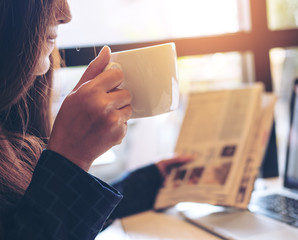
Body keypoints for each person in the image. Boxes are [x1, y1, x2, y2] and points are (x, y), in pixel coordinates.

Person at [0, 0, 191, 239]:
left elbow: (34, 220)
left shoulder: (12, 128)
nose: (65, 14)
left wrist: (149, 182)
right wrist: (71, 158)